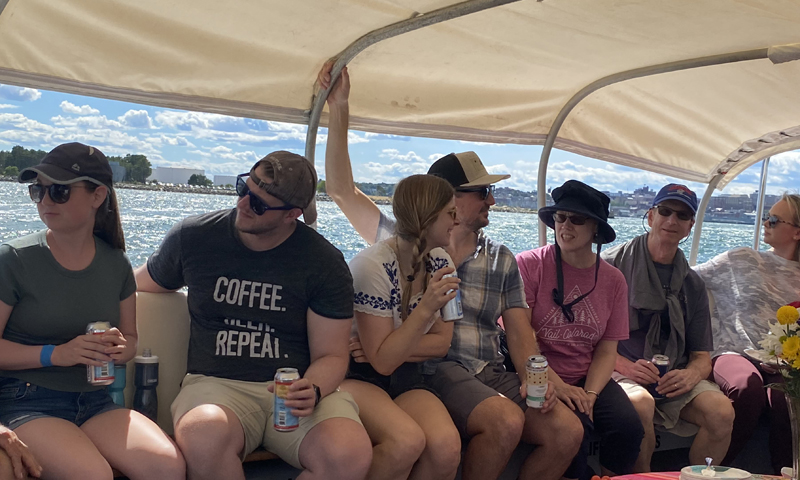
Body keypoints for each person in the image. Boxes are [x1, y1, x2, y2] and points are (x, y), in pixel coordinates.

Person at [319, 61, 583, 480]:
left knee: (568, 433)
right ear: (449, 199)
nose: (492, 201)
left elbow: (520, 334)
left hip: (483, 368)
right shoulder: (398, 240)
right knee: (499, 424)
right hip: (435, 374)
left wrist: (542, 380)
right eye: (484, 192)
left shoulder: (499, 258)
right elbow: (340, 190)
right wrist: (340, 109)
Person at [134, 151, 372, 480]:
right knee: (204, 435)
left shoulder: (323, 263)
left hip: (294, 388)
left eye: (258, 204)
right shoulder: (194, 238)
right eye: (243, 188)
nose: (243, 204)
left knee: (349, 455)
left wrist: (314, 388)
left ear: (292, 214)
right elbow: (136, 284)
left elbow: (331, 355)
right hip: (216, 385)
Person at [0, 143, 185, 480]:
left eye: (59, 191)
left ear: (98, 196)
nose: (45, 201)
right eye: (38, 190)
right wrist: (57, 354)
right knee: (93, 475)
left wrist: (118, 349)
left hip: (96, 400)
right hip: (27, 399)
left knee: (167, 466)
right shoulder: (13, 260)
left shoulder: (116, 264)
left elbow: (130, 339)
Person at [602, 184, 735, 471]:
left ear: (690, 226)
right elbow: (587, 340)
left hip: (672, 374)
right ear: (651, 216)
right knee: (641, 404)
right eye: (665, 211)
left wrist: (689, 376)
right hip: (618, 367)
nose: (672, 220)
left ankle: (698, 477)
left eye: (682, 215)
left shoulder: (692, 284)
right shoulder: (610, 268)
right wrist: (626, 366)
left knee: (721, 412)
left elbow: (701, 356)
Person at [515, 180, 643, 480]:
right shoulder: (529, 265)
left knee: (628, 428)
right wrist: (559, 386)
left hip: (587, 375)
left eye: (577, 219)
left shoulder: (613, 280)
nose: (565, 225)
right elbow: (521, 336)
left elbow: (607, 350)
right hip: (540, 374)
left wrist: (591, 395)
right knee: (577, 433)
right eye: (560, 217)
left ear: (595, 229)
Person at [343, 174, 462, 480]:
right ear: (428, 216)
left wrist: (386, 349)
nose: (457, 220)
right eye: (450, 212)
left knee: (446, 447)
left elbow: (441, 344)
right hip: (357, 376)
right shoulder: (372, 267)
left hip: (406, 375)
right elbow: (382, 364)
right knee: (406, 443)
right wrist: (425, 309)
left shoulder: (441, 262)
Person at [694, 192, 800, 473]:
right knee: (746, 387)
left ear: (797, 233)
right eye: (766, 217)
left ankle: (783, 473)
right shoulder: (741, 259)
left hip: (783, 362)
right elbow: (687, 276)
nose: (765, 223)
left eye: (774, 220)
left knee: (788, 399)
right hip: (733, 350)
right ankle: (714, 472)